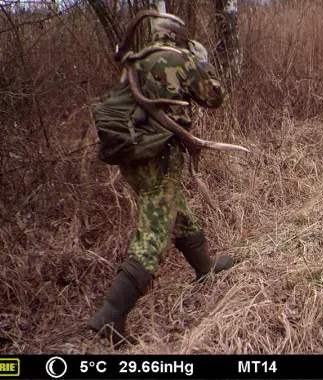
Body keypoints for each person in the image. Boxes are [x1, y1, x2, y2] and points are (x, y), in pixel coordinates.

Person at [89, 16, 234, 347]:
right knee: (155, 232)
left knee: (176, 211)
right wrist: (202, 63)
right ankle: (111, 314)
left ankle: (205, 269)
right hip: (160, 156)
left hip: (133, 157)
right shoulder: (180, 59)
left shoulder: (139, 59)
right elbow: (214, 98)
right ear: (181, 36)